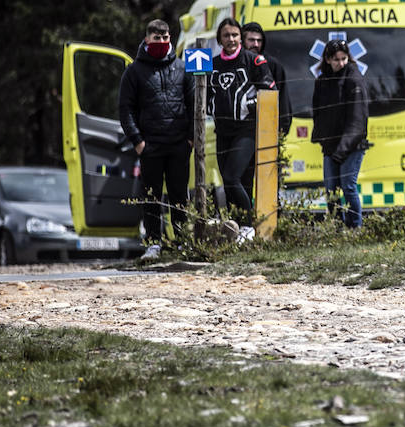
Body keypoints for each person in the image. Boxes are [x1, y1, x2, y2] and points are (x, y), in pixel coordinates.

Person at [118, 18, 195, 258]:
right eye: (156, 38)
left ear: (170, 38)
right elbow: (125, 109)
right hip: (150, 146)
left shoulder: (182, 68)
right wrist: (138, 142)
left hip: (179, 144)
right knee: (151, 197)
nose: (161, 42)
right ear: (147, 39)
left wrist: (191, 139)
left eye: (165, 37)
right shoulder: (134, 71)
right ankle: (153, 244)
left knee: (179, 195)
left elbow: (194, 104)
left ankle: (182, 242)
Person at [206, 17, 276, 220]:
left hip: (246, 130)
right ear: (219, 39)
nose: (231, 39)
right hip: (222, 131)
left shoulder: (254, 61)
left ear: (241, 37)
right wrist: (212, 106)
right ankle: (236, 229)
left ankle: (249, 223)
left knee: (231, 177)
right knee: (233, 184)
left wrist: (248, 106)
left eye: (235, 35)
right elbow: (201, 94)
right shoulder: (212, 64)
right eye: (226, 35)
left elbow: (270, 93)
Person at [311, 38, 370, 228]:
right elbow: (318, 112)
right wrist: (322, 139)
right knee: (331, 191)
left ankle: (355, 228)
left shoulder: (354, 80)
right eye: (336, 59)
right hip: (330, 146)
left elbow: (358, 120)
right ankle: (338, 228)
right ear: (327, 59)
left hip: (351, 146)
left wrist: (342, 149)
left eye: (344, 59)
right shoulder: (322, 81)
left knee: (348, 187)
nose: (341, 63)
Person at [241, 21, 292, 206]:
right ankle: (244, 224)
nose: (255, 44)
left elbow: (283, 99)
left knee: (269, 182)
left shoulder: (273, 65)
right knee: (242, 181)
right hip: (241, 132)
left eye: (259, 40)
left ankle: (270, 226)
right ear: (242, 40)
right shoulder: (236, 64)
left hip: (268, 133)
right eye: (251, 40)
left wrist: (282, 129)